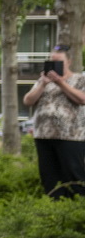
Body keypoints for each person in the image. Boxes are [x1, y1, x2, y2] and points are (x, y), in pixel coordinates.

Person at [23, 45, 85, 198]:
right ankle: (53, 209)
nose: (54, 65)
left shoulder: (79, 79)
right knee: (49, 177)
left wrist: (61, 83)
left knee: (73, 175)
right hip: (44, 136)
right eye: (52, 61)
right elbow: (28, 101)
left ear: (68, 62)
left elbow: (82, 99)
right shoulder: (42, 81)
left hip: (70, 136)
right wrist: (43, 83)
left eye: (59, 62)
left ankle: (76, 209)